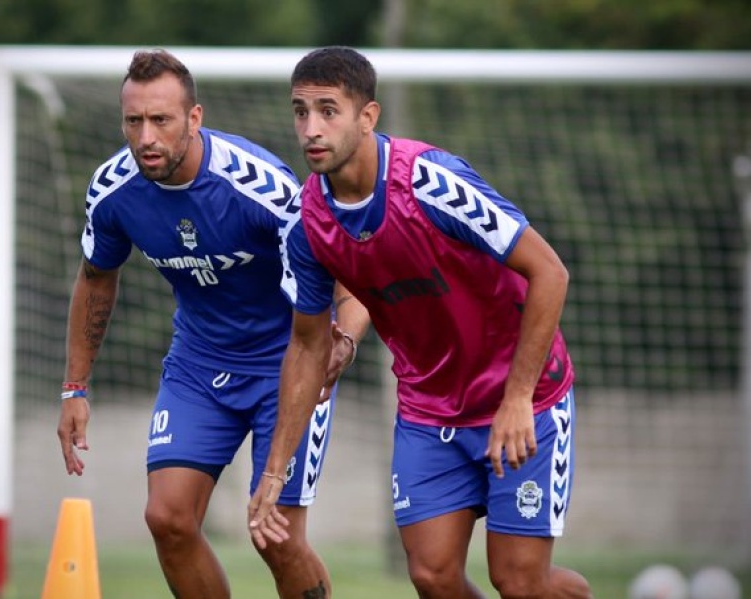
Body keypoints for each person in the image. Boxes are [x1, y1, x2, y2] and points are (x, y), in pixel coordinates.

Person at [248, 46, 593, 599]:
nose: (311, 128)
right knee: (431, 575)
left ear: (368, 116)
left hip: (525, 399)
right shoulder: (306, 227)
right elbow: (308, 346)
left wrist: (517, 398)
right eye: (300, 111)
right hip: (429, 410)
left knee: (520, 581)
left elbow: (549, 271)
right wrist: (273, 473)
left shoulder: (430, 182)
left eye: (328, 110)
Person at [56, 49, 369, 599]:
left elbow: (344, 272)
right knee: (167, 519)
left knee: (275, 537)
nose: (146, 137)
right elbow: (96, 277)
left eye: (162, 120)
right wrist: (75, 386)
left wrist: (343, 337)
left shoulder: (260, 188)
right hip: (200, 366)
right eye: (134, 121)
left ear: (194, 118)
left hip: (287, 366)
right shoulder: (112, 191)